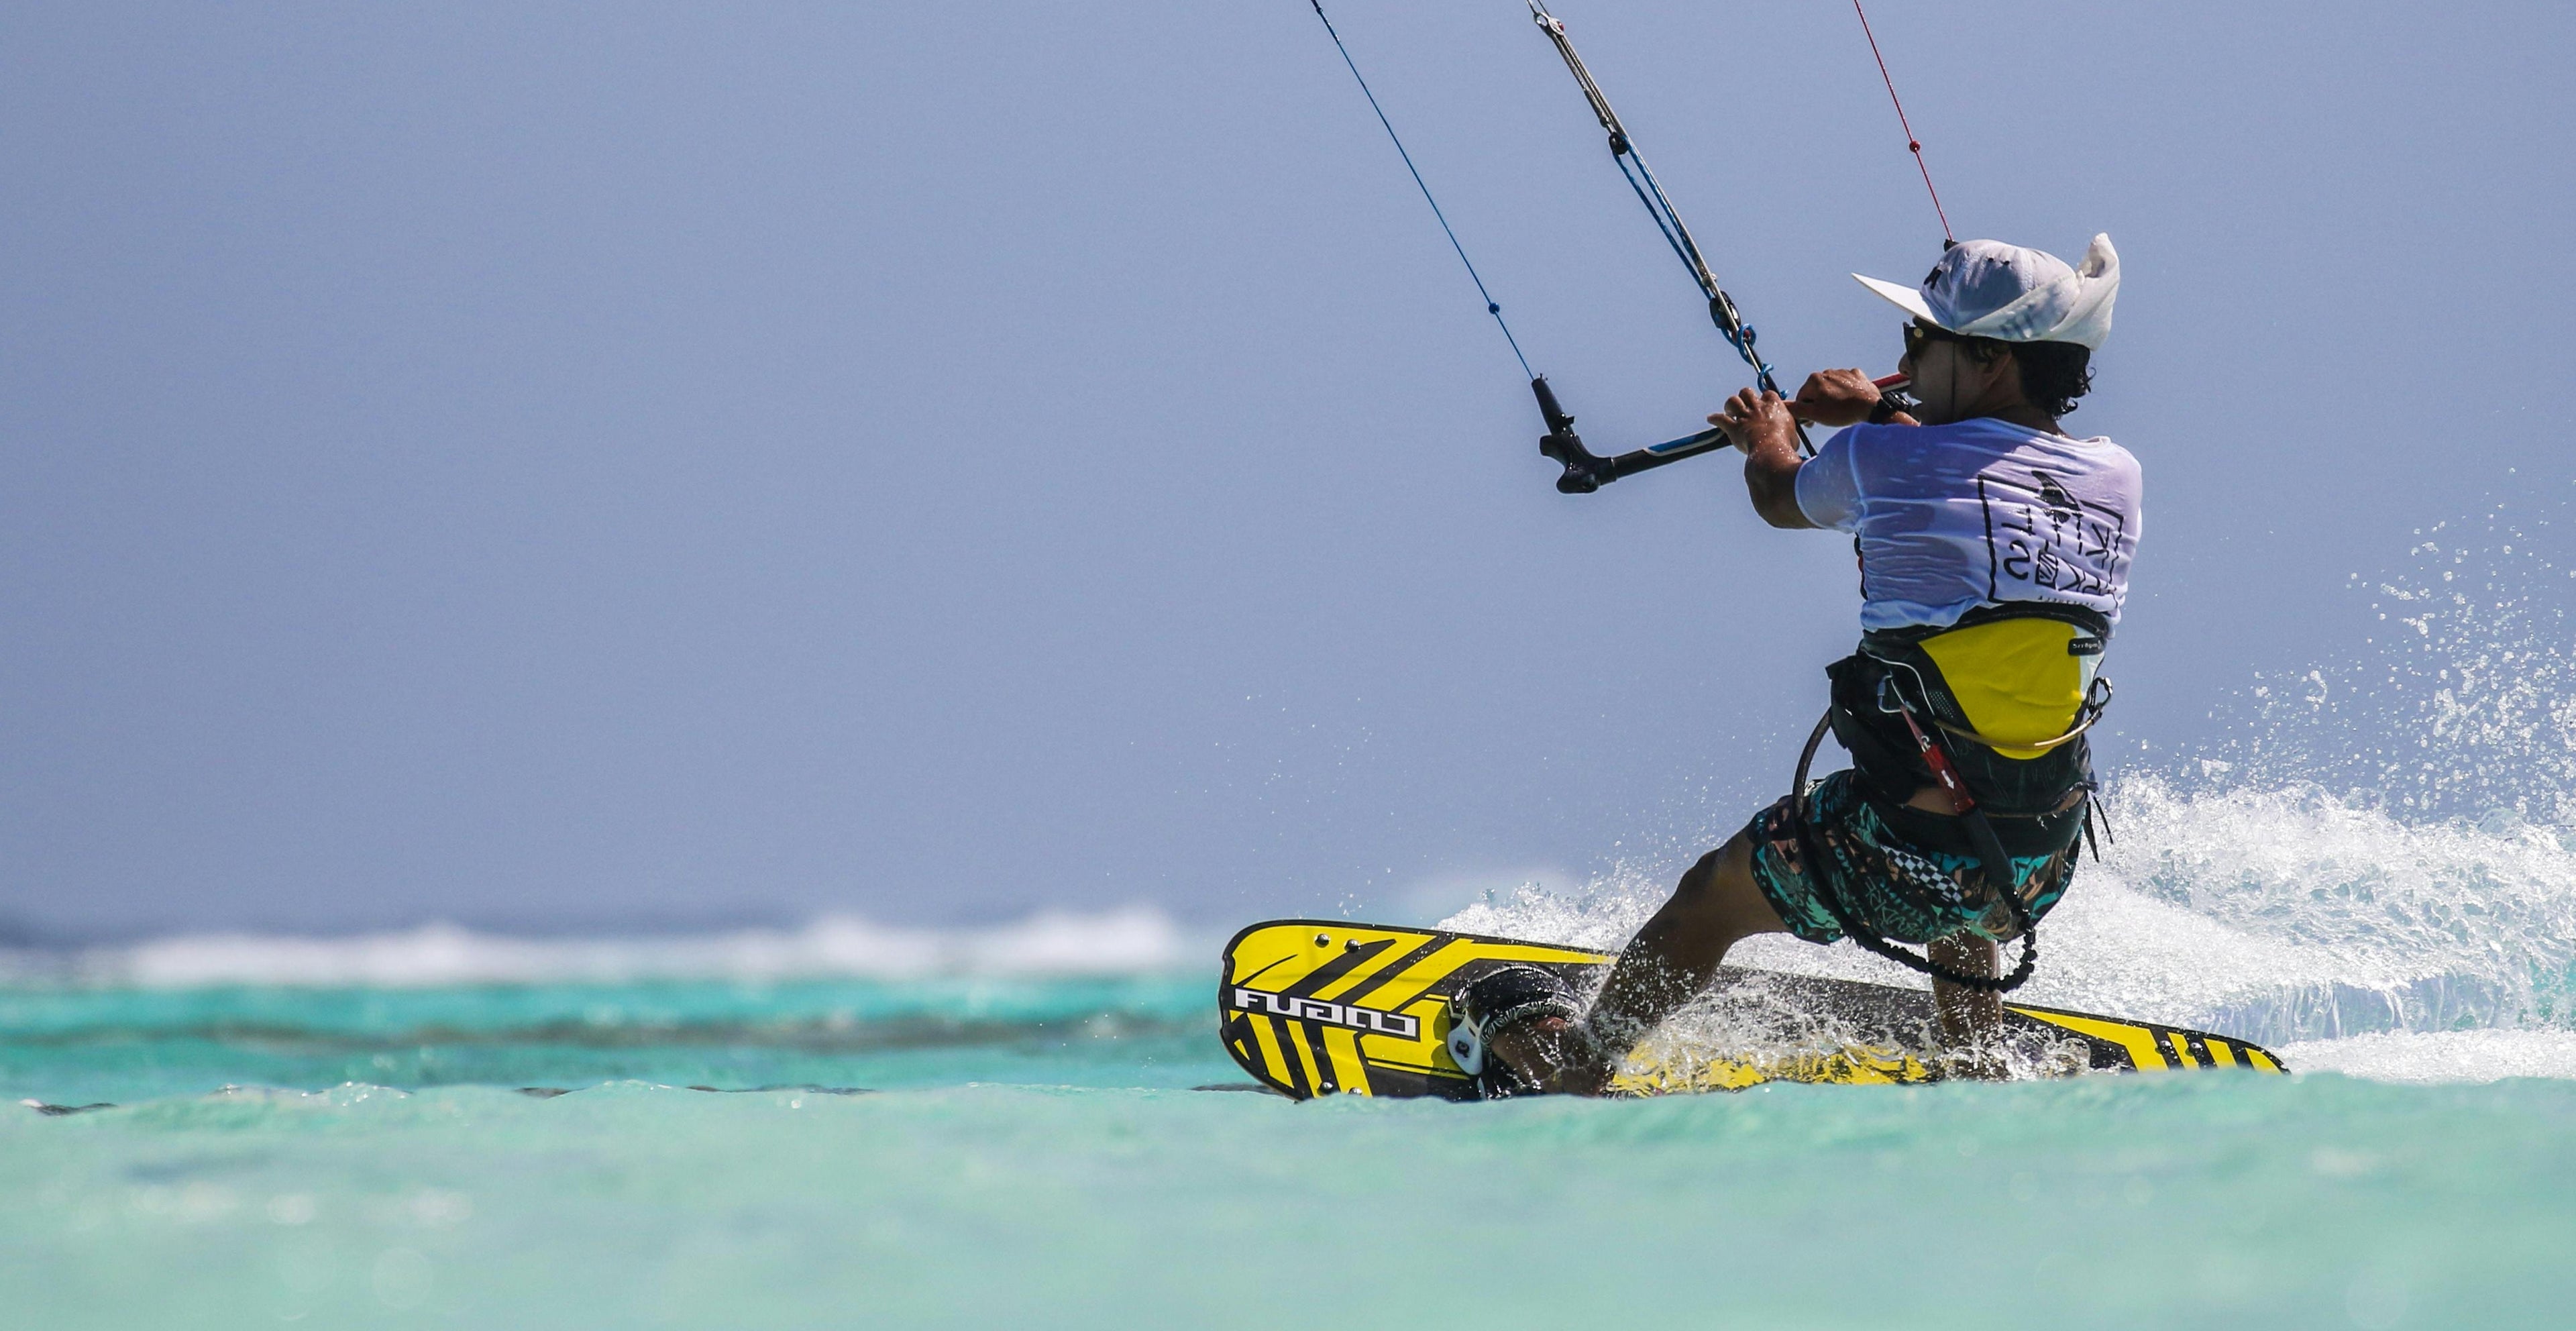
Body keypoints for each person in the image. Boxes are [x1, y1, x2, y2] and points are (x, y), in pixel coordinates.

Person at [1454, 235, 2135, 1095]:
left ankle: (1576, 1068)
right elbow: (1984, 467)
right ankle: (1974, 1059)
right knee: (1972, 782)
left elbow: (1781, 495)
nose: (1902, 356)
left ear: (1994, 357)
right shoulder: (2116, 475)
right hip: (2035, 862)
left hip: (1894, 852)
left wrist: (1773, 433)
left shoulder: (1885, 459)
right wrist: (1885, 411)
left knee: (1712, 896)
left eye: (1922, 341)